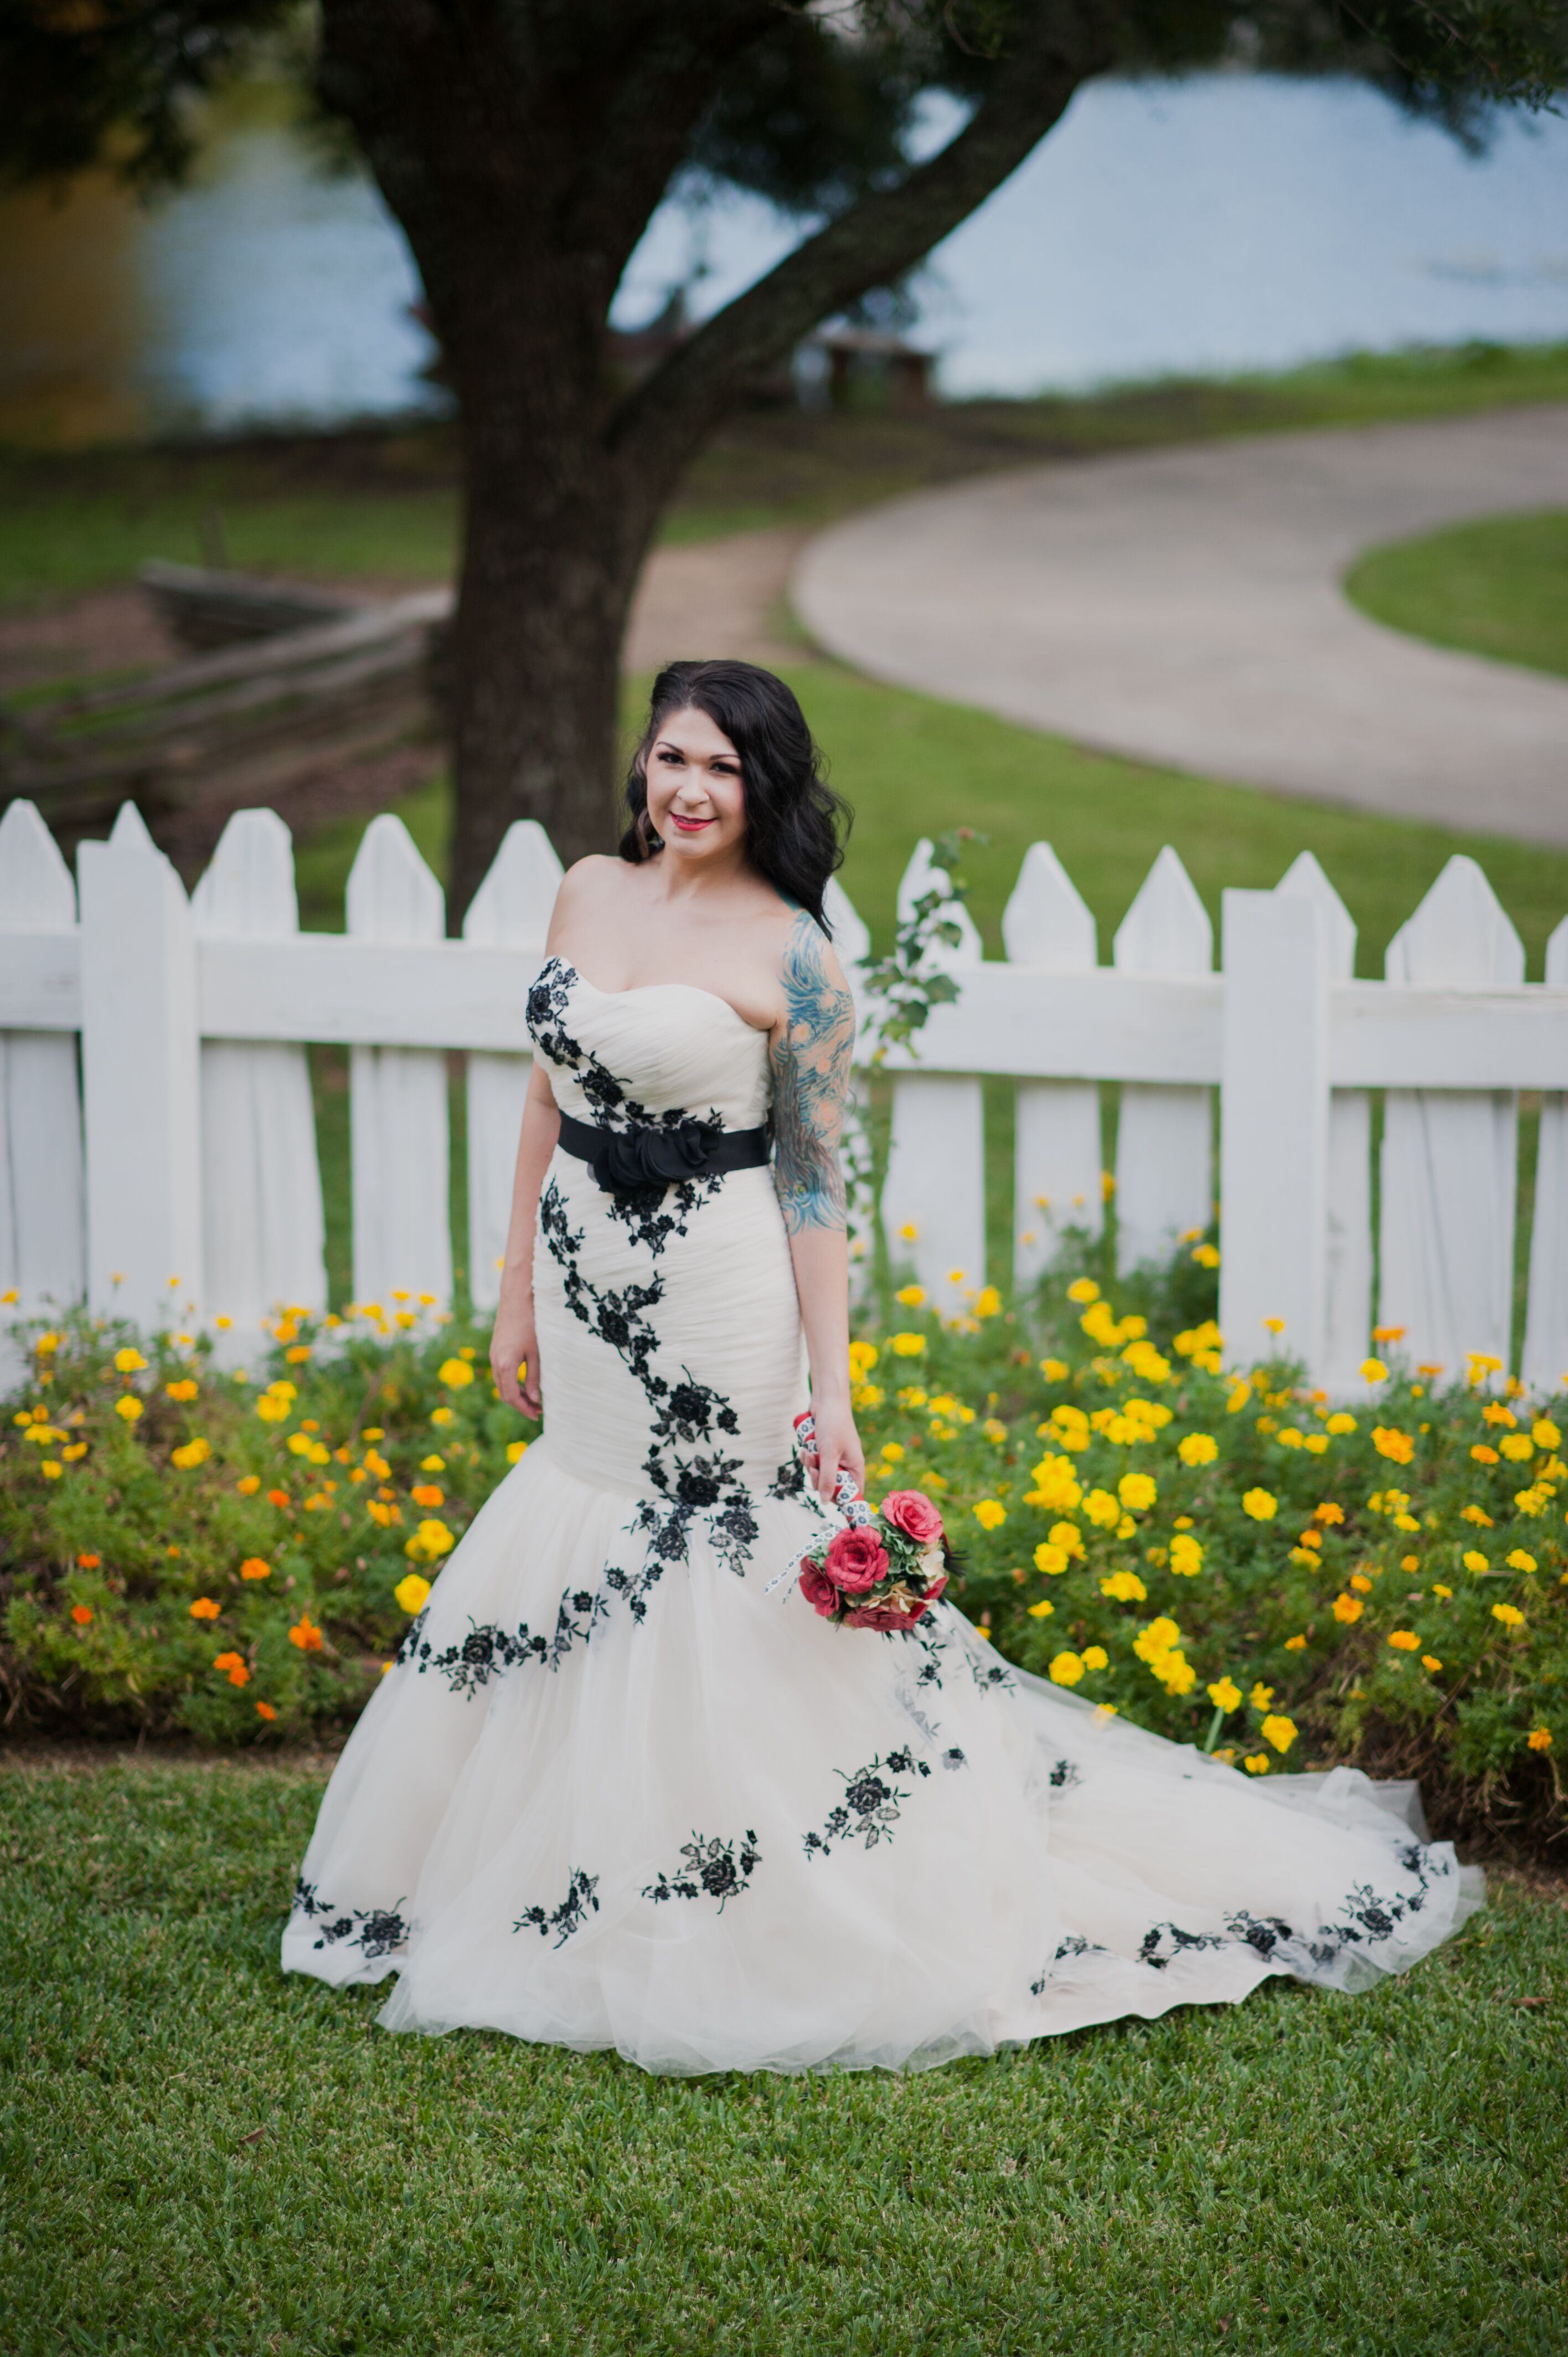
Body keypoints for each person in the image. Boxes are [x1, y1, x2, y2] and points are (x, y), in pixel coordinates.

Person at [283, 658, 1481, 2073]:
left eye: (721, 771)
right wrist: (514, 1301)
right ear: (643, 763)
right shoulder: (583, 891)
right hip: (584, 1286)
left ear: (765, 788)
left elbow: (811, 1184)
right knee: (579, 1513)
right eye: (672, 757)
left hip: (722, 1304)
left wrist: (833, 1397)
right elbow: (547, 1090)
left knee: (715, 1561)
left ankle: (752, 1890)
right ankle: (557, 1855)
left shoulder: (801, 957)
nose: (687, 790)